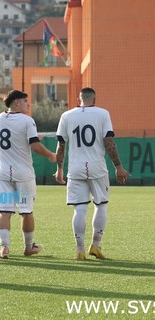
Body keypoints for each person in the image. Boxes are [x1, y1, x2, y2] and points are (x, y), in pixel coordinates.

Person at [54, 87, 129, 260]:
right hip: (97, 168)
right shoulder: (103, 114)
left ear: (78, 99)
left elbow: (61, 146)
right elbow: (109, 142)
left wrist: (59, 170)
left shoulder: (66, 116)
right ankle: (95, 245)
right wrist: (118, 166)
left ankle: (80, 250)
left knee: (79, 209)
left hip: (76, 168)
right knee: (101, 205)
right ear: (94, 99)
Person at [0, 89, 56, 259]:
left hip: (3, 172)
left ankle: (4, 247)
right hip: (23, 173)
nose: (28, 104)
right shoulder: (27, 121)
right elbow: (35, 147)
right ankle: (29, 247)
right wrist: (51, 155)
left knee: (4, 211)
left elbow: (15, 137)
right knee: (26, 211)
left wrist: (33, 138)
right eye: (25, 101)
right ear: (16, 103)